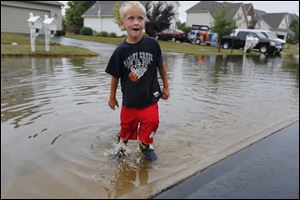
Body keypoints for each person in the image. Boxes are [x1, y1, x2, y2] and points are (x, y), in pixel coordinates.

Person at [105, 1, 169, 161]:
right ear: (123, 23)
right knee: (126, 129)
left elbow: (161, 65)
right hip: (130, 102)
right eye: (131, 18)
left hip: (150, 99)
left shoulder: (153, 44)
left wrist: (166, 87)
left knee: (153, 122)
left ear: (145, 21)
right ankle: (121, 146)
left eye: (140, 18)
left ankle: (145, 145)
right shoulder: (120, 51)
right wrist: (112, 97)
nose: (135, 22)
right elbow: (115, 76)